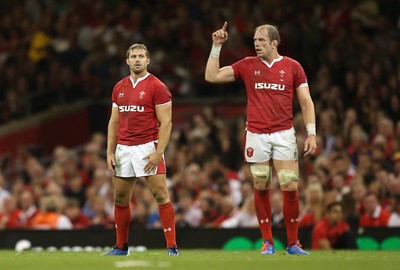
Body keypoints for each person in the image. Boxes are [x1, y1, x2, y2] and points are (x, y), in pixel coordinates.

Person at [205, 22, 317, 255]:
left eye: (262, 41)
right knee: (261, 185)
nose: (256, 44)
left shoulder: (293, 67)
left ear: (275, 42)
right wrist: (216, 46)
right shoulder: (247, 65)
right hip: (256, 135)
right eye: (255, 40)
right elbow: (212, 76)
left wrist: (311, 132)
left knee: (290, 186)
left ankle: (293, 243)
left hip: (284, 134)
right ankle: (267, 242)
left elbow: (306, 101)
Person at [104, 43, 179, 256]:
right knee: (120, 199)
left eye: (141, 56)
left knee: (161, 195)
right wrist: (110, 151)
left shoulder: (158, 87)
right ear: (127, 61)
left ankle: (172, 247)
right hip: (124, 148)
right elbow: (113, 122)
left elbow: (167, 123)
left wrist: (158, 153)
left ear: (148, 60)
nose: (137, 60)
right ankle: (121, 247)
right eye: (133, 56)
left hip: (147, 146)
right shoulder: (119, 87)